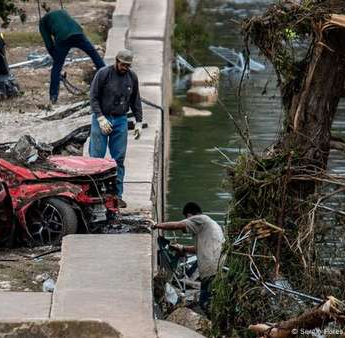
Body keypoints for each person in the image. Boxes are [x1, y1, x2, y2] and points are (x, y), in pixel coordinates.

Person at [89, 49, 143, 208]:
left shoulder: (132, 77)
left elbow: (135, 100)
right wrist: (100, 118)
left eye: (128, 65)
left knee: (118, 159)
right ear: (117, 61)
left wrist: (139, 122)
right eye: (123, 64)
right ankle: (95, 193)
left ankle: (117, 195)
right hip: (102, 118)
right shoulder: (103, 74)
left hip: (120, 120)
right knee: (96, 158)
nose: (125, 67)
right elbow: (93, 97)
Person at [153, 202, 225, 312]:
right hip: (218, 266)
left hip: (211, 269)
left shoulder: (200, 218)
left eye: (186, 218)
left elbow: (177, 225)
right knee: (210, 299)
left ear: (190, 215)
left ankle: (207, 325)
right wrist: (183, 248)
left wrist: (157, 225)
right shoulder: (210, 225)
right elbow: (197, 249)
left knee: (205, 303)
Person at [39, 2, 105, 104]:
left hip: (62, 38)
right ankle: (107, 80)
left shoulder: (42, 22)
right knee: (95, 56)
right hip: (78, 33)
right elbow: (75, 24)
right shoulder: (62, 11)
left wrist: (55, 57)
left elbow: (48, 43)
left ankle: (53, 96)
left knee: (56, 68)